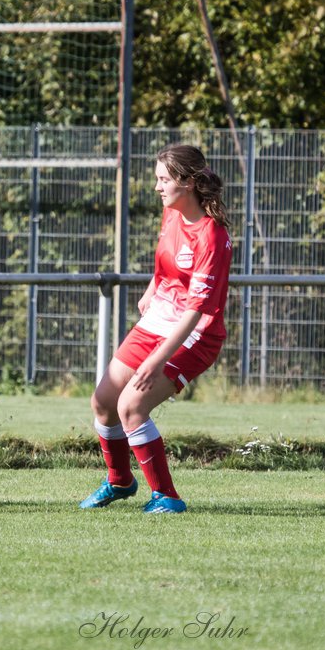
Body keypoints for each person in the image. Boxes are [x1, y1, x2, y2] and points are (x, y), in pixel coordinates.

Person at [79, 143, 232, 514]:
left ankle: (167, 497)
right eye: (157, 179)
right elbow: (166, 265)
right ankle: (119, 481)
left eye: (164, 179)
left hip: (194, 334)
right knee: (103, 403)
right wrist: (153, 288)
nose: (157, 187)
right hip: (158, 321)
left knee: (131, 406)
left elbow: (196, 311)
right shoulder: (171, 214)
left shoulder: (210, 236)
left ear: (190, 182)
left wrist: (155, 361)